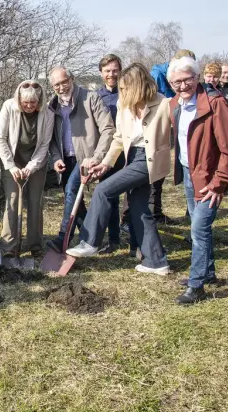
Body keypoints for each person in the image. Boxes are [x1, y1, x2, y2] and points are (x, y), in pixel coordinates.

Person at [66, 63, 171, 276]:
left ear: (137, 86)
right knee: (140, 210)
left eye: (125, 88)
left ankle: (90, 241)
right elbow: (119, 138)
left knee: (104, 190)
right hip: (131, 158)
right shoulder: (124, 105)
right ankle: (156, 261)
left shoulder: (163, 103)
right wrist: (105, 163)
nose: (121, 92)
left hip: (148, 161)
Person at [167, 57, 228, 304]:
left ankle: (196, 285)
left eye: (187, 79)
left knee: (198, 229)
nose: (182, 85)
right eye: (177, 81)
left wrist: (219, 183)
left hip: (210, 179)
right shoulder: (176, 104)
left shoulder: (215, 103)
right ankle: (208, 273)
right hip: (190, 174)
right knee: (200, 228)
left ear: (197, 77)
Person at [46, 66, 115, 253]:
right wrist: (56, 158)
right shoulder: (52, 106)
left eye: (64, 82)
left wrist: (97, 157)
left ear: (72, 79)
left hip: (85, 158)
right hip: (65, 159)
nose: (61, 88)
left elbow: (108, 129)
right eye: (56, 85)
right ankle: (90, 239)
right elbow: (50, 138)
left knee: (71, 191)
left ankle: (63, 238)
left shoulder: (90, 98)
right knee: (77, 199)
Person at [0, 80, 54, 256]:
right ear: (18, 99)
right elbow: (1, 139)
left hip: (36, 163)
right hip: (11, 162)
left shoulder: (48, 113)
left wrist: (31, 166)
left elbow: (44, 145)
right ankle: (9, 247)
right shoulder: (8, 107)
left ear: (40, 101)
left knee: (35, 202)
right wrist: (11, 167)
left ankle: (35, 246)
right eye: (25, 103)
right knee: (13, 201)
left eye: (33, 103)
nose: (29, 106)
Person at [147, 49, 197, 225]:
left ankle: (192, 210)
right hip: (159, 122)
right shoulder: (157, 73)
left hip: (177, 117)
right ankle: (154, 211)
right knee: (157, 165)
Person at [96, 54, 126, 254]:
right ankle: (114, 239)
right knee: (110, 196)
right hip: (108, 153)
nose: (111, 74)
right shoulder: (96, 96)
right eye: (107, 71)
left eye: (114, 70)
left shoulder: (127, 93)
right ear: (101, 73)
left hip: (128, 151)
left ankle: (135, 238)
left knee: (133, 198)